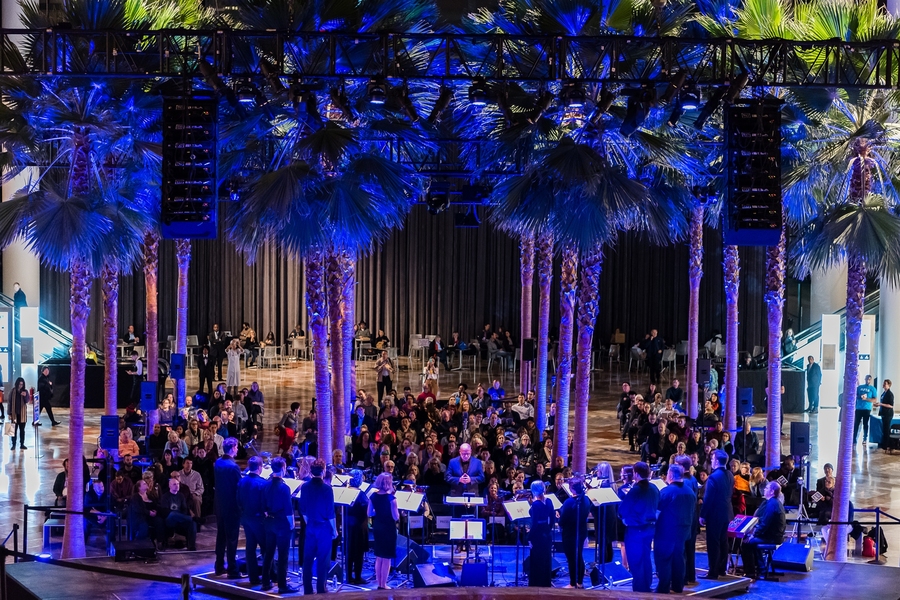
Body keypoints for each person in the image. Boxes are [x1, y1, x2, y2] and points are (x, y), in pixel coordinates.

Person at [654, 464, 696, 594]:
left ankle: (663, 588)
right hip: (684, 531)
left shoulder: (667, 491)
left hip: (667, 532)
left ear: (670, 475)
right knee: (679, 559)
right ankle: (678, 586)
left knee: (664, 560)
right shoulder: (690, 491)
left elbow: (657, 510)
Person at [619, 461, 660, 593]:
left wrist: (624, 519)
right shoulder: (654, 488)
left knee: (635, 561)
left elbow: (622, 511)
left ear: (636, 474)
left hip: (635, 530)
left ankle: (639, 590)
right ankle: (647, 586)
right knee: (646, 557)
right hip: (650, 529)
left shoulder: (635, 490)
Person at [300, 462, 338, 595]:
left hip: (310, 526)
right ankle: (321, 589)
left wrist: (309, 522)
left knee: (308, 559)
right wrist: (334, 530)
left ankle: (307, 590)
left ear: (311, 471)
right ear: (323, 471)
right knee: (323, 560)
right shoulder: (327, 489)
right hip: (323, 527)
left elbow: (303, 509)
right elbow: (330, 513)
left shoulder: (304, 487)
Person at [262, 457, 298, 593]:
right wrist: (292, 525)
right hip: (282, 524)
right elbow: (288, 510)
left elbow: (263, 505)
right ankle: (282, 585)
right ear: (283, 468)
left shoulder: (266, 484)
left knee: (269, 554)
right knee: (283, 556)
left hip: (269, 522)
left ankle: (265, 582)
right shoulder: (284, 488)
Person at [699, 449, 734, 579]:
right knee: (723, 541)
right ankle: (721, 569)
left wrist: (703, 515)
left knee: (713, 543)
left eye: (713, 459)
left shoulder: (713, 477)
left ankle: (713, 572)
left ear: (717, 461)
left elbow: (708, 498)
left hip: (715, 514)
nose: (712, 461)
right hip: (727, 513)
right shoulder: (730, 474)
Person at [740, 481, 786, 578]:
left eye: (767, 488)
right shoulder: (775, 502)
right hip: (774, 536)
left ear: (772, 491)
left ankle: (751, 572)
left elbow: (765, 524)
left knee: (746, 543)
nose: (764, 489)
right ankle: (761, 568)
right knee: (751, 540)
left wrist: (754, 534)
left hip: (772, 537)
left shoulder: (772, 504)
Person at [237, 456, 268, 587]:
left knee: (250, 548)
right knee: (267, 549)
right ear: (260, 468)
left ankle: (253, 577)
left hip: (246, 518)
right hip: (259, 519)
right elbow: (265, 503)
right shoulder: (263, 483)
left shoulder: (242, 482)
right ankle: (269, 577)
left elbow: (238, 500)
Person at [214, 437, 242, 578]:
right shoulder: (233, 467)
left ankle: (219, 566)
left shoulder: (218, 463)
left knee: (221, 536)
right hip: (231, 507)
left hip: (220, 505)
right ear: (232, 448)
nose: (237, 450)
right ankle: (232, 569)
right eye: (236, 447)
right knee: (232, 539)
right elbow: (239, 487)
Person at [368, 472, 399, 590]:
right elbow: (395, 517)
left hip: (378, 527)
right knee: (387, 557)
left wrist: (379, 512)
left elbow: (369, 513)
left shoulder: (373, 496)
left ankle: (379, 583)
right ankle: (384, 584)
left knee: (379, 556)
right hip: (388, 528)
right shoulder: (392, 498)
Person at [559, 478, 592, 588]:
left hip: (570, 533)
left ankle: (572, 583)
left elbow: (563, 520)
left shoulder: (569, 502)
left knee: (572, 558)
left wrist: (559, 518)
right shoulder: (586, 499)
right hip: (582, 531)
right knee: (579, 556)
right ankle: (580, 582)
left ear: (571, 488)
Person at [528, 480, 555, 587]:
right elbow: (552, 520)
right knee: (546, 559)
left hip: (537, 535)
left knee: (536, 560)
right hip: (547, 534)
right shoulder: (549, 501)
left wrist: (529, 537)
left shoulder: (535, 505)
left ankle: (536, 583)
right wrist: (547, 529)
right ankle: (546, 582)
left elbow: (534, 524)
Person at [158, 477, 197, 550]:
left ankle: (191, 546)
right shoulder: (165, 496)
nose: (177, 486)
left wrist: (181, 516)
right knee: (173, 514)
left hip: (180, 519)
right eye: (174, 484)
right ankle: (194, 519)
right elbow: (165, 511)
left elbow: (184, 510)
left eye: (178, 484)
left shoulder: (181, 496)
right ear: (170, 485)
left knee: (193, 523)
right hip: (169, 520)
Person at [345, 470, 370, 585]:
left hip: (347, 525)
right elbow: (367, 509)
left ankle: (349, 576)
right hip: (359, 526)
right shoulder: (360, 494)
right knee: (358, 552)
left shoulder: (346, 491)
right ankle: (358, 577)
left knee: (349, 552)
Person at [854, 374, 877, 445]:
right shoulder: (860, 387)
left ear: (871, 380)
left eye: (869, 379)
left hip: (867, 409)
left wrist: (866, 399)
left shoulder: (872, 389)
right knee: (856, 424)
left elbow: (874, 399)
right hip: (858, 408)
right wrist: (860, 397)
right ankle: (854, 438)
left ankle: (865, 438)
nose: (868, 380)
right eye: (867, 379)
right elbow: (855, 396)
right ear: (865, 379)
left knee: (865, 424)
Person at [8, 377, 29, 450]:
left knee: (22, 430)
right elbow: (9, 402)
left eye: (22, 384)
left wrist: (25, 395)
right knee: (12, 430)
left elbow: (27, 401)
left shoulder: (25, 391)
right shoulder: (12, 391)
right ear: (17, 384)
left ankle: (22, 444)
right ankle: (13, 444)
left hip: (22, 415)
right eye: (19, 384)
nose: (21, 386)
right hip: (14, 414)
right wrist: (9, 413)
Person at [874, 379, 895, 452]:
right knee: (884, 429)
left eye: (885, 384)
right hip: (883, 413)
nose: (883, 385)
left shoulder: (890, 394)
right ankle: (884, 444)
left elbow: (891, 405)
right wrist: (878, 405)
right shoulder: (883, 393)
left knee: (886, 430)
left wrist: (880, 404)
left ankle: (886, 445)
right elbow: (883, 403)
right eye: (883, 383)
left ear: (889, 385)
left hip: (888, 414)